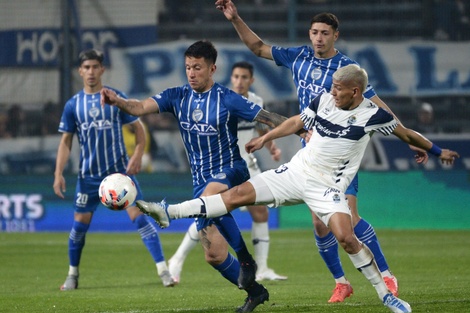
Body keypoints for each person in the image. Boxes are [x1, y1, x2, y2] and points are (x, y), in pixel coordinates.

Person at [137, 64, 459, 313]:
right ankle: (169, 212)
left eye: (339, 89)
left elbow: (406, 134)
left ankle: (386, 296)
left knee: (346, 237)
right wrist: (266, 137)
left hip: (328, 187)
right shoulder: (325, 101)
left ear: (356, 91)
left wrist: (435, 151)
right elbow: (297, 121)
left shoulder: (373, 115)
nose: (332, 92)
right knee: (235, 196)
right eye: (332, 86)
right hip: (295, 171)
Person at [215, 1, 428, 302]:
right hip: (311, 153)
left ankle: (387, 276)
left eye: (324, 33)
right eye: (314, 32)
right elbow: (258, 47)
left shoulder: (347, 70)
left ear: (335, 36)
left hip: (340, 152)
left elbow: (378, 108)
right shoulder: (298, 56)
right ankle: (342, 282)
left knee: (349, 219)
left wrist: (409, 138)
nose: (318, 38)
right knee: (318, 222)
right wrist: (235, 18)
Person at [100, 40, 290, 312]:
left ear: (212, 69)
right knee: (214, 255)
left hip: (230, 170)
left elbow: (267, 117)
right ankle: (256, 292)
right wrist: (118, 101)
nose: (191, 72)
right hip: (200, 180)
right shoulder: (177, 96)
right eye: (188, 67)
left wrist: (301, 128)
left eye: (197, 68)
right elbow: (140, 108)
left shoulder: (227, 98)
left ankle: (247, 259)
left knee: (210, 196)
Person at [53, 49, 174, 291]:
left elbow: (139, 129)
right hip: (88, 177)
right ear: (80, 71)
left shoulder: (115, 97)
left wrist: (138, 154)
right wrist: (58, 173)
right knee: (79, 227)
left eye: (95, 67)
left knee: (141, 218)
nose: (90, 72)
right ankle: (72, 275)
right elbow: (66, 141)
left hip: (119, 175)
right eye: (86, 67)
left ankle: (164, 271)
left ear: (102, 69)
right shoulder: (73, 105)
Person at [167, 61, 286, 284]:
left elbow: (260, 127)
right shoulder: (221, 99)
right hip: (223, 166)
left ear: (251, 81)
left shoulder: (255, 102)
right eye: (236, 76)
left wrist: (272, 147)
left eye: (244, 77)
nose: (239, 81)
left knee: (260, 214)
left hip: (246, 165)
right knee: (208, 211)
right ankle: (177, 259)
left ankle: (262, 268)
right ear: (231, 78)